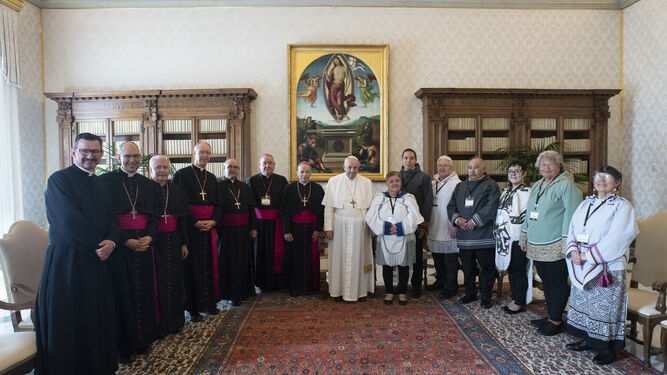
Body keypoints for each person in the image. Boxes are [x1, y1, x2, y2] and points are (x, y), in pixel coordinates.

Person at [35, 133, 120, 375]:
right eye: (84, 151)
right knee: (69, 323)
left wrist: (112, 242)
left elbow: (114, 217)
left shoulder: (103, 184)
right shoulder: (59, 181)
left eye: (95, 152)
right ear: (74, 152)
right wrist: (99, 245)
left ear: (102, 154)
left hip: (98, 262)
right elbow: (68, 222)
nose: (90, 156)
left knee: (95, 320)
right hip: (68, 264)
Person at [564, 166, 638, 365]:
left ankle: (608, 348)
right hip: (581, 263)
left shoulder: (623, 207)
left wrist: (587, 255)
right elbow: (572, 229)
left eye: (607, 177)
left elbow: (619, 237)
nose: (601, 180)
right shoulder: (585, 204)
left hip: (606, 266)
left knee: (606, 309)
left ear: (617, 182)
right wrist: (573, 252)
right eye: (598, 177)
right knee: (586, 305)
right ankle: (589, 339)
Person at [99, 141, 161, 363]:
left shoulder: (148, 184)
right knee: (122, 296)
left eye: (136, 156)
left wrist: (150, 237)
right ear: (118, 157)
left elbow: (154, 217)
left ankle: (143, 340)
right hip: (119, 251)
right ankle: (124, 346)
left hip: (144, 247)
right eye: (127, 156)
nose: (132, 160)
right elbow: (105, 218)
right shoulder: (105, 182)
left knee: (143, 294)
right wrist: (125, 241)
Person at [520, 150, 582, 336]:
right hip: (536, 242)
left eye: (550, 164)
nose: (546, 167)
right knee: (545, 281)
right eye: (543, 164)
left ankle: (556, 321)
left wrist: (567, 244)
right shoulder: (538, 185)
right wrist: (524, 237)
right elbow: (529, 212)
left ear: (559, 166)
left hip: (556, 243)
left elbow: (572, 217)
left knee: (557, 282)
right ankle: (550, 315)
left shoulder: (567, 186)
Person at [172, 142, 221, 322]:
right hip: (191, 229)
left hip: (208, 228)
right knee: (192, 268)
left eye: (208, 153)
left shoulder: (212, 177)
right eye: (202, 152)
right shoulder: (182, 175)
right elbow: (180, 204)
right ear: (194, 153)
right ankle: (193, 309)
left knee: (208, 266)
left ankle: (209, 304)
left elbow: (217, 204)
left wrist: (213, 221)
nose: (205, 156)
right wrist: (195, 222)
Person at [447, 157, 500, 309]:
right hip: (464, 237)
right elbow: (451, 207)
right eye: (470, 167)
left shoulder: (491, 185)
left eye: (476, 167)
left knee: (487, 269)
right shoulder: (460, 186)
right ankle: (470, 294)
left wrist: (474, 221)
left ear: (484, 168)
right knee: (467, 269)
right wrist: (458, 221)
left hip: (484, 236)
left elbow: (492, 206)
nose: (472, 170)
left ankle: (486, 297)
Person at [366, 171, 424, 305]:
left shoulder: (408, 197)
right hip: (385, 237)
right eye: (391, 181)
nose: (394, 183)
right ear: (387, 183)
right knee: (387, 266)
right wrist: (386, 228)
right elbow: (371, 216)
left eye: (397, 181)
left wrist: (400, 227)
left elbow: (415, 216)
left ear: (400, 183)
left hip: (404, 236)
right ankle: (389, 292)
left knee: (403, 266)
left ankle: (402, 292)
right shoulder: (379, 198)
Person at [149, 155, 192, 335]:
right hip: (154, 243)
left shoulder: (176, 190)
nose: (162, 171)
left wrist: (184, 243)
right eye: (158, 167)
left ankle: (175, 321)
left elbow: (182, 220)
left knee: (175, 279)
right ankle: (159, 324)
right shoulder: (145, 188)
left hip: (173, 241)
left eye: (165, 168)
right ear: (151, 169)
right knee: (156, 282)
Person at [323, 156, 375, 302]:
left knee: (360, 257)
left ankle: (360, 292)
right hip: (339, 223)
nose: (352, 171)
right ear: (344, 167)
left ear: (359, 168)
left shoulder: (366, 182)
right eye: (349, 168)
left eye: (355, 168)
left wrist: (371, 226)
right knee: (338, 257)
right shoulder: (334, 181)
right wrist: (328, 227)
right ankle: (337, 291)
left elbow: (371, 208)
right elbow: (329, 207)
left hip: (360, 225)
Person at [281, 162, 325, 296]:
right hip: (294, 229)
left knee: (310, 257)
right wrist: (286, 231)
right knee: (294, 257)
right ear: (297, 173)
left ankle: (311, 287)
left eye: (307, 172)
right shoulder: (289, 189)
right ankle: (295, 287)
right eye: (301, 172)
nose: (304, 175)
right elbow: (284, 212)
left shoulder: (317, 189)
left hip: (311, 229)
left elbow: (321, 212)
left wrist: (317, 229)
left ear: (311, 173)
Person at [246, 154, 289, 292]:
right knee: (259, 252)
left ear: (274, 165)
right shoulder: (251, 181)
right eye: (264, 163)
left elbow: (284, 204)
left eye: (270, 163)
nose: (267, 166)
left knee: (275, 253)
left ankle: (276, 282)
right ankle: (260, 283)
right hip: (258, 224)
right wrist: (252, 226)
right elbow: (250, 207)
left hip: (276, 223)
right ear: (259, 165)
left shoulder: (282, 180)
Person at [494, 160, 532, 314]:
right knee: (511, 268)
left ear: (524, 174)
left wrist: (525, 236)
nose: (513, 174)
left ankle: (519, 301)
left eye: (517, 171)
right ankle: (516, 297)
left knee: (518, 269)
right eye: (511, 171)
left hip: (518, 237)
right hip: (504, 237)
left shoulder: (527, 193)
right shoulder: (506, 192)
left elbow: (527, 217)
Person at [218, 158, 256, 306]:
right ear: (224, 168)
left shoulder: (244, 186)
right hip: (226, 232)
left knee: (244, 260)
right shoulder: (218, 186)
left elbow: (252, 208)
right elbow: (217, 210)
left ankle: (245, 291)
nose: (233, 169)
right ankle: (231, 294)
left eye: (235, 167)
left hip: (244, 230)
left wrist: (253, 227)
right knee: (229, 261)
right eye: (230, 167)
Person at [399, 148, 433, 298]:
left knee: (417, 256)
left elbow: (428, 201)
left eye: (411, 158)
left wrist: (424, 224)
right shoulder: (397, 176)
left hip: (417, 224)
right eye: (406, 158)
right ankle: (402, 285)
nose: (408, 161)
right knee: (402, 256)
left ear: (416, 160)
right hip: (400, 224)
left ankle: (416, 285)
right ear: (402, 160)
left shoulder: (423, 178)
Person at [427, 156, 461, 299]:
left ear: (451, 167)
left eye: (445, 165)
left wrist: (455, 225)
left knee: (450, 261)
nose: (441, 168)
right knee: (437, 258)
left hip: (449, 226)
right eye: (439, 165)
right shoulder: (433, 183)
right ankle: (440, 281)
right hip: (435, 224)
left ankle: (451, 287)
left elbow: (460, 206)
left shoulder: (457, 184)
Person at [325, 55, 356, 121]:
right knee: (334, 102)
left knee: (340, 102)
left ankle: (344, 115)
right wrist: (325, 74)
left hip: (341, 86)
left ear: (339, 60)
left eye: (337, 60)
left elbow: (348, 79)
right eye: (334, 61)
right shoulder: (333, 69)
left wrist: (347, 88)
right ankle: (339, 116)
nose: (336, 62)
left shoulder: (344, 68)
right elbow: (329, 80)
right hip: (333, 87)